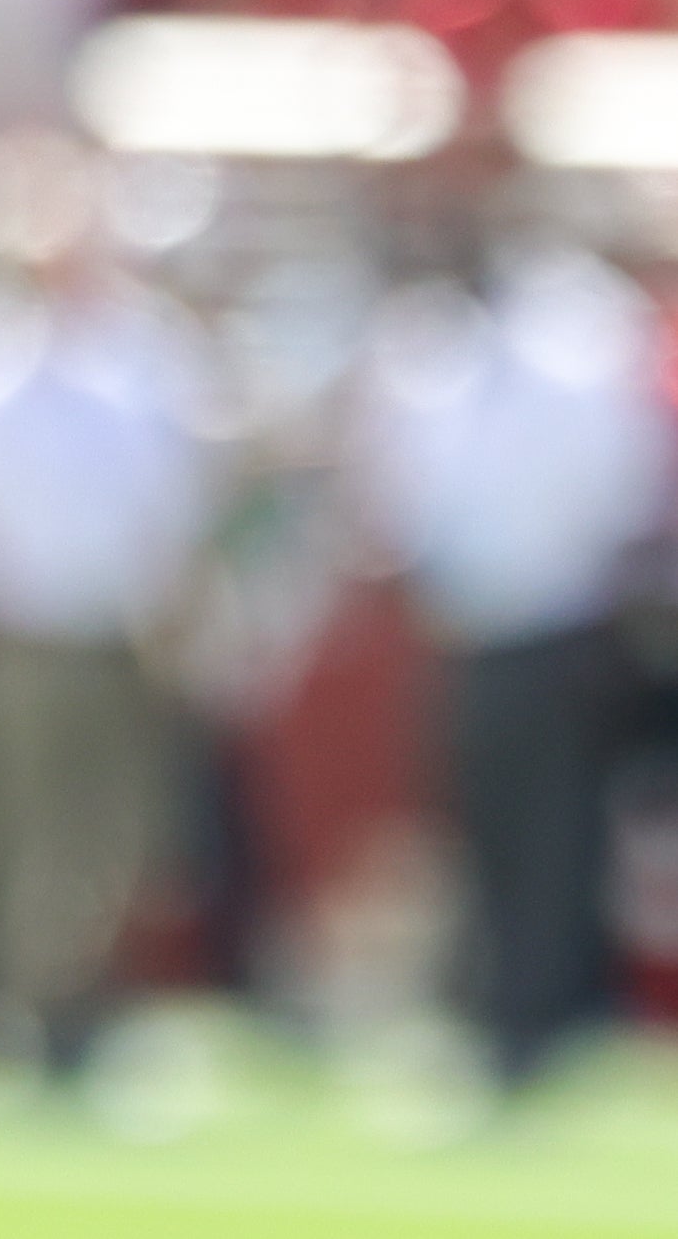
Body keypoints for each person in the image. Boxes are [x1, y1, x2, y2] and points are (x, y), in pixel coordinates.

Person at [0, 141, 228, 1084]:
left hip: (118, 630)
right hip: (8, 630)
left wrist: (175, 608)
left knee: (113, 836)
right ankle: (11, 1012)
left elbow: (188, 496)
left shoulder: (149, 349)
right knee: (11, 829)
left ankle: (80, 1016)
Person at [345, 208, 669, 1094]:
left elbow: (617, 488)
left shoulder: (577, 344)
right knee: (480, 826)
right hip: (468, 628)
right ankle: (495, 1010)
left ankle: (543, 1019)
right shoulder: (437, 351)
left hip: (562, 625)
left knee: (555, 830)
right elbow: (406, 494)